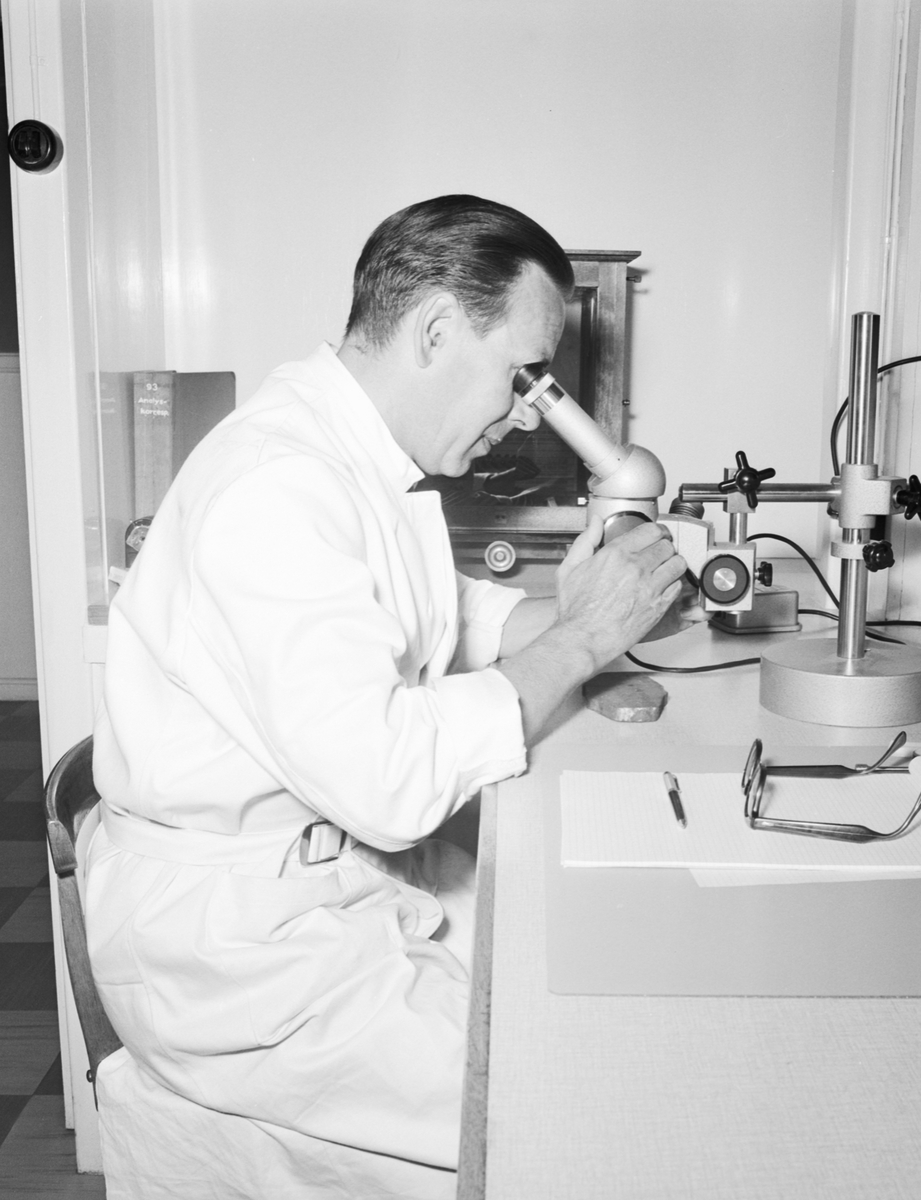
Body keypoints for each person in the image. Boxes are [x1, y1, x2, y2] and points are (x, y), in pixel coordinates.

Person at [83, 195, 692, 1198]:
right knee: (572, 1096)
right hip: (239, 952)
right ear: (437, 330)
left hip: (316, 880)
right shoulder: (275, 485)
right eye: (524, 374)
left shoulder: (350, 457)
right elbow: (388, 779)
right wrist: (583, 636)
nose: (529, 410)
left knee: (592, 971)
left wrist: (596, 606)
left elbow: (447, 618)